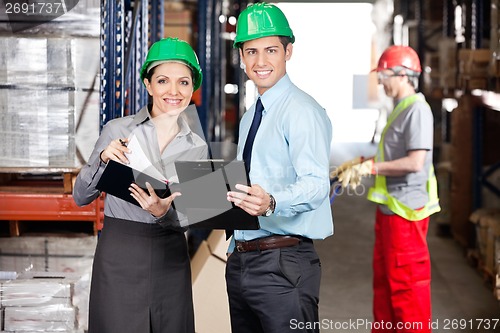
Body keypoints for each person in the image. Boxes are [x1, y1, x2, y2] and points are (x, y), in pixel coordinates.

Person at [73, 37, 208, 333]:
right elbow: (80, 197)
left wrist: (164, 213)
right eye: (163, 81)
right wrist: (103, 160)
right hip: (119, 254)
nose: (174, 92)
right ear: (148, 85)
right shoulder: (116, 130)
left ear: (192, 89)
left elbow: (195, 218)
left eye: (184, 83)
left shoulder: (197, 146)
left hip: (170, 259)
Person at [225, 3, 333, 333]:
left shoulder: (301, 111)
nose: (260, 61)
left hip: (283, 264)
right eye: (251, 51)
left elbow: (317, 184)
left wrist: (271, 202)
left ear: (288, 52)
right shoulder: (250, 118)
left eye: (271, 50)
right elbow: (250, 183)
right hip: (243, 260)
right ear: (241, 58)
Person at [332, 45, 440, 332]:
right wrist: (361, 161)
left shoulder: (417, 110)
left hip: (406, 215)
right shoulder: (401, 109)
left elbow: (416, 161)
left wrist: (372, 168)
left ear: (402, 75)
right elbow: (394, 154)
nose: (380, 82)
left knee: (406, 292)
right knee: (385, 287)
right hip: (391, 212)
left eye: (384, 76)